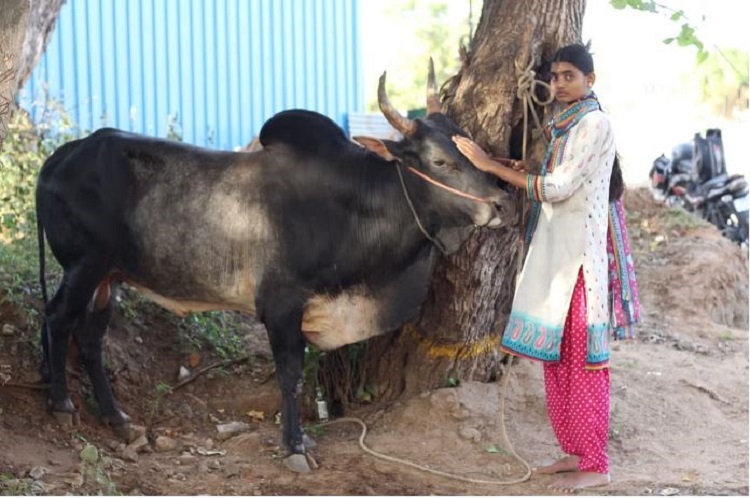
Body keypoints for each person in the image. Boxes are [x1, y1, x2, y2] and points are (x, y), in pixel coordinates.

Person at [453, 44, 640, 491]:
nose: (559, 83)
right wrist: (514, 167)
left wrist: (484, 164)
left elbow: (556, 187)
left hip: (579, 262)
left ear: (590, 80)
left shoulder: (593, 123)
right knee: (559, 363)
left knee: (583, 364)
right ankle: (574, 453)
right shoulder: (565, 125)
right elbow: (560, 178)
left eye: (569, 75)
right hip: (558, 256)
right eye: (555, 76)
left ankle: (596, 464)